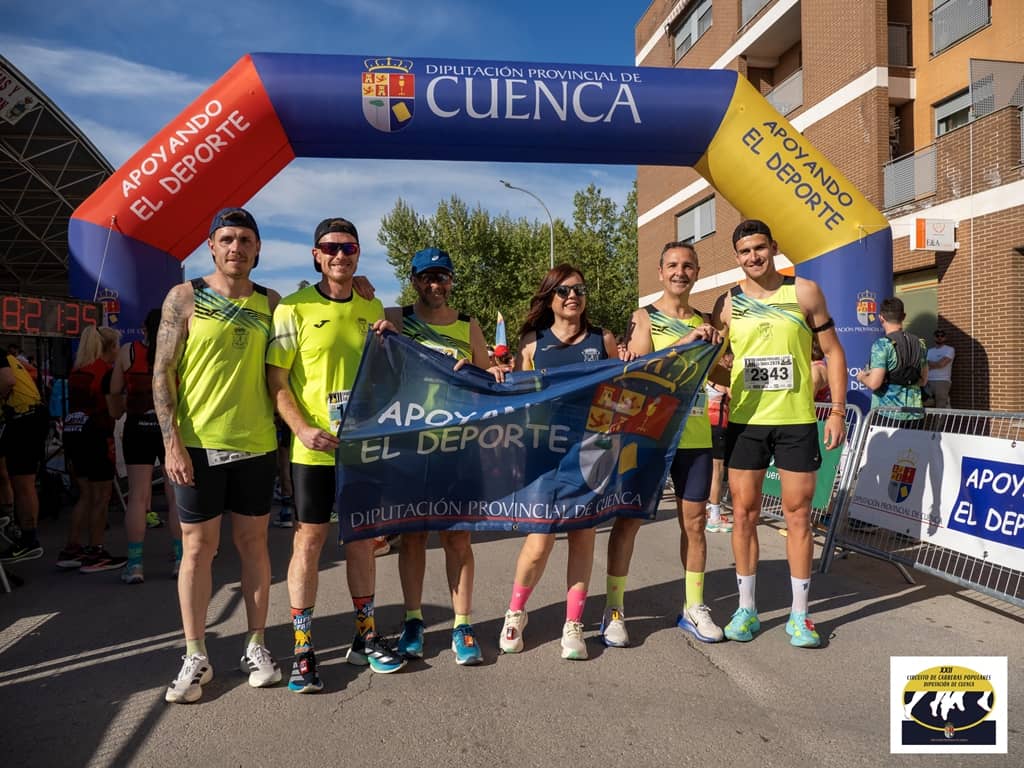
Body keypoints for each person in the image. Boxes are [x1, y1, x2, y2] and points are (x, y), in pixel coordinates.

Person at [267, 217, 405, 694]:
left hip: (362, 449)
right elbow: (276, 381)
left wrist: (389, 342)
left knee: (362, 543)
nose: (340, 255)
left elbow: (385, 372)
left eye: (349, 247)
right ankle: (303, 649)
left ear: (358, 254)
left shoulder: (371, 304)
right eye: (331, 248)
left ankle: (365, 637)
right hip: (314, 451)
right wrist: (301, 428)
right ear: (316, 255)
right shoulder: (293, 307)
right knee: (308, 544)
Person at [155, 207, 282, 704]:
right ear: (211, 246)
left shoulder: (272, 302)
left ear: (258, 248)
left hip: (256, 443)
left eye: (246, 240)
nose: (236, 248)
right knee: (197, 549)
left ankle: (255, 645)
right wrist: (171, 442)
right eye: (227, 239)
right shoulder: (184, 297)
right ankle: (195, 654)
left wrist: (358, 285)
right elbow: (163, 372)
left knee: (254, 546)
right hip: (197, 445)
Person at [712, 219, 848, 649]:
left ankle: (800, 616)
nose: (753, 257)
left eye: (759, 248)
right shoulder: (728, 304)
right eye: (744, 251)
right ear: (737, 257)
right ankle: (746, 609)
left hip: (795, 421)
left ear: (773, 247)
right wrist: (722, 377)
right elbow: (715, 362)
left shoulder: (804, 292)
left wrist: (837, 411)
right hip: (747, 422)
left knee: (798, 515)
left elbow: (833, 351)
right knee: (744, 513)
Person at [498, 264, 619, 660]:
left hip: (590, 451)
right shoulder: (532, 343)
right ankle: (515, 613)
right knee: (539, 542)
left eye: (579, 290)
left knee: (583, 538)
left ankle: (574, 624)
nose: (572, 297)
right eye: (564, 291)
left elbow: (618, 393)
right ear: (549, 298)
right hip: (544, 454)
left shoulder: (603, 339)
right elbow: (518, 401)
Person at [385, 247, 498, 666]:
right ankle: (413, 621)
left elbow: (488, 381)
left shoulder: (468, 324)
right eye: (427, 277)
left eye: (442, 277)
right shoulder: (397, 319)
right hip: (411, 445)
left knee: (457, 538)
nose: (435, 284)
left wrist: (477, 369)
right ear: (414, 281)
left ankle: (462, 624)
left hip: (459, 446)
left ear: (451, 281)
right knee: (413, 537)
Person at [609, 242, 723, 646]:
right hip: (649, 434)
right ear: (660, 272)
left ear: (697, 272)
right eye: (672, 265)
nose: (680, 272)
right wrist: (685, 342)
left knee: (694, 523)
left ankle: (693, 606)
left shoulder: (708, 321)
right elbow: (640, 371)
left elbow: (717, 375)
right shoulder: (644, 316)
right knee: (629, 521)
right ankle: (615, 610)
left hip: (694, 434)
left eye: (688, 266)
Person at [107, 308, 182, 583]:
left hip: (137, 427)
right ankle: (181, 559)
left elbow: (114, 391)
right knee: (176, 496)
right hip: (170, 430)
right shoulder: (179, 351)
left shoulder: (127, 351)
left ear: (144, 328)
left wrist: (117, 412)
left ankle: (135, 564)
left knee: (138, 497)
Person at [57, 325, 128, 573]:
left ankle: (72, 547)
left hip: (73, 431)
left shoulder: (77, 371)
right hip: (96, 434)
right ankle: (96, 552)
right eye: (117, 345)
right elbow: (114, 411)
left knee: (85, 494)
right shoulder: (105, 373)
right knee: (102, 496)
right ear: (109, 347)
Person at [0, 350, 49, 563]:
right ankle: (16, 526)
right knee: (15, 478)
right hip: (26, 416)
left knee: (23, 482)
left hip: (24, 417)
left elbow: (7, 381)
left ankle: (29, 540)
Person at [855, 297, 927, 417]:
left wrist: (862, 377)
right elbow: (923, 381)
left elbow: (874, 383)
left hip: (887, 414)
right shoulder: (920, 343)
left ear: (881, 317)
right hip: (915, 414)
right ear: (904, 316)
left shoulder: (882, 345)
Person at [705, 350, 733, 534]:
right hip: (718, 426)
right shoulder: (723, 377)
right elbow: (734, 396)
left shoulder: (708, 372)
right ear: (725, 356)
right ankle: (714, 517)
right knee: (717, 472)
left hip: (704, 425)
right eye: (732, 357)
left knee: (707, 470)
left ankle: (708, 510)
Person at [926, 328, 954, 408]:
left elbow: (941, 364)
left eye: (942, 336)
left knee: (941, 406)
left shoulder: (949, 349)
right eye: (937, 336)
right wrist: (935, 364)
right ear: (934, 337)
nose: (939, 337)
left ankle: (940, 418)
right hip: (928, 381)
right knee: (927, 405)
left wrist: (931, 364)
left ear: (945, 338)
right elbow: (925, 365)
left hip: (942, 381)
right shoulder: (930, 351)